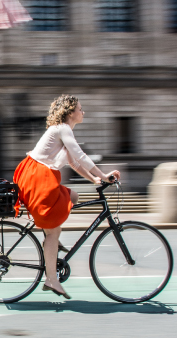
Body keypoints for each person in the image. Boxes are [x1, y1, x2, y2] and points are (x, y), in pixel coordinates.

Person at [13, 94, 120, 299]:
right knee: (54, 231)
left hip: (38, 175)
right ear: (70, 112)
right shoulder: (62, 128)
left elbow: (74, 163)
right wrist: (104, 176)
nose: (83, 112)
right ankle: (51, 278)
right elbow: (80, 156)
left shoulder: (62, 131)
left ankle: (51, 236)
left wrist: (95, 180)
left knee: (74, 195)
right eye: (80, 108)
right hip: (37, 176)